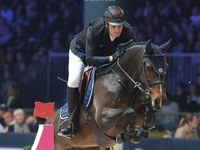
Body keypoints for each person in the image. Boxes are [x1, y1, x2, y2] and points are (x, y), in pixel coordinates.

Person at [58, 5, 136, 138]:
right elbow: (90, 60)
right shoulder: (94, 30)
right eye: (114, 26)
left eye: (120, 26)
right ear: (106, 24)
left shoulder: (128, 32)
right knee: (74, 78)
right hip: (81, 51)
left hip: (106, 54)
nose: (118, 30)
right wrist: (111, 58)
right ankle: (71, 123)